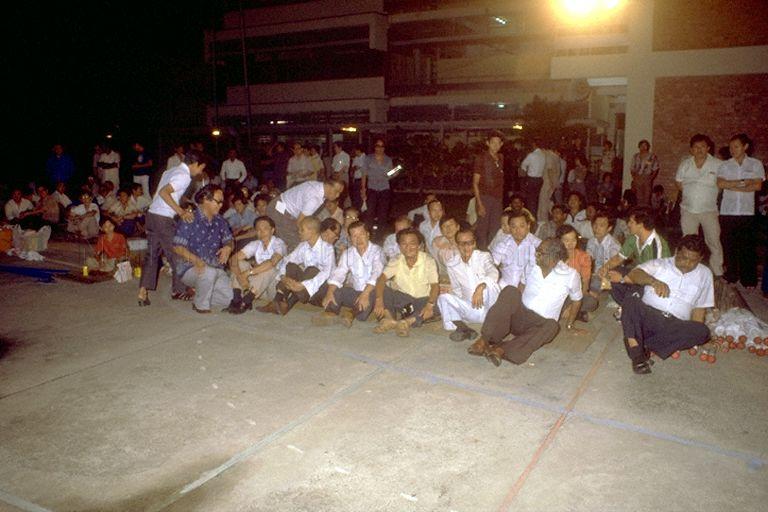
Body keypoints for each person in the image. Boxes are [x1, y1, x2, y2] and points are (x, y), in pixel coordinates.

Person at [468, 238, 583, 366]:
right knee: (510, 291)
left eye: (541, 253)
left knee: (553, 326)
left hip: (540, 325)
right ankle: (485, 340)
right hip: (520, 317)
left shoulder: (571, 275)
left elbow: (577, 300)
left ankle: (502, 350)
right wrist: (512, 308)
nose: (536, 255)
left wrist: (570, 324)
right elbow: (521, 286)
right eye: (537, 251)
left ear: (554, 257)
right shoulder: (531, 266)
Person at [614, 235, 714, 374]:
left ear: (701, 259)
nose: (687, 264)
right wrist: (653, 282)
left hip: (674, 324)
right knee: (632, 298)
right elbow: (634, 274)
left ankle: (645, 344)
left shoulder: (705, 274)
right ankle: (637, 354)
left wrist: (692, 338)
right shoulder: (661, 264)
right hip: (648, 317)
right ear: (676, 252)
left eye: (693, 261)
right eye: (683, 258)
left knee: (702, 331)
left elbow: (700, 308)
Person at [137, 149, 206, 306]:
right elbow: (164, 192)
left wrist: (184, 203)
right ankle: (178, 290)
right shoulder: (184, 176)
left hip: (152, 216)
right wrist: (181, 211)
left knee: (152, 255)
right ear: (195, 164)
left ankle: (142, 292)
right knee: (177, 253)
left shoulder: (170, 171)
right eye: (201, 167)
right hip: (163, 219)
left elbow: (166, 193)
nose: (201, 171)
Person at [172, 185, 234, 314]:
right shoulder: (189, 219)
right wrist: (197, 261)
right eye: (218, 201)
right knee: (208, 273)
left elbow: (229, 240)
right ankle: (200, 305)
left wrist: (228, 247)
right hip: (190, 268)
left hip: (215, 267)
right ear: (206, 199)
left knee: (230, 299)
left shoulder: (221, 221)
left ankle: (198, 292)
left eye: (222, 202)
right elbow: (177, 247)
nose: (221, 205)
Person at [313, 221, 384, 327]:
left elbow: (376, 274)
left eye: (361, 234)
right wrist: (330, 292)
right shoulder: (348, 253)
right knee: (337, 291)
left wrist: (365, 294)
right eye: (354, 236)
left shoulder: (377, 251)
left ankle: (351, 313)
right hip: (356, 292)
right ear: (350, 239)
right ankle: (331, 312)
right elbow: (339, 274)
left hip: (372, 291)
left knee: (364, 312)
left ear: (368, 234)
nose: (358, 239)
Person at [260, 216, 335, 316]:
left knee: (312, 269)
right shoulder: (303, 245)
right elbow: (288, 260)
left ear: (312, 231)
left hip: (320, 289)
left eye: (302, 230)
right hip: (302, 286)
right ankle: (277, 301)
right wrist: (283, 277)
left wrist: (303, 285)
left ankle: (288, 304)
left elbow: (326, 274)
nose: (299, 232)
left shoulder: (328, 249)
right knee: (291, 266)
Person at [717, 133, 765, 288]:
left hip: (746, 212)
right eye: (730, 147)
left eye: (736, 146)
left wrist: (733, 185)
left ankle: (748, 280)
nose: (732, 150)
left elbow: (758, 186)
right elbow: (721, 184)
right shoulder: (725, 165)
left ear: (745, 147)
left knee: (747, 248)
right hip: (728, 211)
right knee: (729, 246)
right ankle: (731, 276)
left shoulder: (756, 164)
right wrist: (745, 182)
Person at [373, 227, 439, 337]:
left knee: (438, 304)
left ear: (419, 245)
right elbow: (381, 279)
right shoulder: (397, 260)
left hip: (422, 302)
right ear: (399, 247)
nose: (408, 247)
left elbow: (435, 286)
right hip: (404, 303)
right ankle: (389, 319)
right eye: (404, 244)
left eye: (412, 243)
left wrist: (429, 304)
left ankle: (406, 322)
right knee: (384, 288)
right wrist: (378, 300)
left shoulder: (428, 261)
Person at [437, 227, 500, 342]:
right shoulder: (452, 263)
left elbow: (493, 272)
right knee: (443, 298)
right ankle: (463, 328)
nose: (466, 247)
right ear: (456, 245)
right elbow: (456, 289)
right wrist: (459, 307)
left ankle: (494, 325)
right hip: (471, 308)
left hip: (489, 308)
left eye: (469, 243)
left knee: (491, 285)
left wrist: (480, 287)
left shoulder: (483, 256)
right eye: (462, 244)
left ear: (475, 243)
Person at [674, 133, 724, 277]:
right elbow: (678, 182)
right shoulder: (685, 164)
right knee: (688, 242)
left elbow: (722, 184)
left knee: (713, 241)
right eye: (696, 147)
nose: (699, 150)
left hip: (709, 211)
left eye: (703, 147)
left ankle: (717, 271)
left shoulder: (718, 164)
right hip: (688, 210)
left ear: (708, 148)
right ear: (691, 150)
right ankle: (688, 270)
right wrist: (692, 193)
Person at [226, 215, 287, 314]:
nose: (261, 232)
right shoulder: (255, 244)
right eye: (258, 229)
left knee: (270, 268)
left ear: (272, 230)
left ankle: (246, 301)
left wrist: (247, 273)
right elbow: (233, 259)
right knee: (240, 263)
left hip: (273, 289)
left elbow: (272, 262)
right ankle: (236, 299)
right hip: (256, 287)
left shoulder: (279, 244)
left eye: (265, 229)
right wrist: (240, 276)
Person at [265, 179, 345, 251]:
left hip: (279, 205)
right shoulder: (315, 199)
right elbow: (300, 222)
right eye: (337, 191)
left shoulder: (316, 185)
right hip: (279, 212)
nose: (338, 195)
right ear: (328, 186)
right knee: (298, 245)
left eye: (340, 193)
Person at [599, 206, 671, 285]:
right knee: (611, 272)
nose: (628, 224)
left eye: (631, 222)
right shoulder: (634, 237)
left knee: (619, 280)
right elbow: (619, 258)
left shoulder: (657, 247)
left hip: (656, 283)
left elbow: (654, 278)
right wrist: (604, 268)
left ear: (640, 225)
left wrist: (623, 279)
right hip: (640, 274)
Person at [490, 211, 541, 289]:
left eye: (521, 226)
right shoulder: (503, 244)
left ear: (528, 226)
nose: (517, 230)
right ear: (510, 228)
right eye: (513, 227)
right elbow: (491, 264)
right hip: (505, 287)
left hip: (529, 288)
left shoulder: (538, 245)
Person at [558, 224, 598, 320]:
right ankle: (577, 314)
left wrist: (572, 306)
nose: (571, 243)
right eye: (566, 240)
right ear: (559, 241)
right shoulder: (554, 256)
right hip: (558, 293)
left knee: (592, 302)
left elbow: (585, 284)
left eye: (573, 240)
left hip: (575, 293)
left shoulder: (584, 257)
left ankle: (569, 312)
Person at [472, 130, 505, 249]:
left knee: (496, 229)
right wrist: (479, 204)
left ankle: (492, 255)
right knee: (482, 229)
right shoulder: (481, 158)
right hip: (484, 197)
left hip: (497, 198)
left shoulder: (501, 158)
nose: (495, 145)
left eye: (498, 143)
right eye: (493, 143)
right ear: (487, 143)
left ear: (501, 144)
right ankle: (481, 254)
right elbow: (475, 183)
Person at [361, 138, 393, 232]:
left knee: (383, 214)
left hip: (384, 189)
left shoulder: (388, 159)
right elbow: (364, 174)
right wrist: (363, 189)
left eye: (382, 146)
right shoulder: (368, 158)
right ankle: (368, 233)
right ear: (374, 147)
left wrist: (394, 173)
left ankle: (381, 234)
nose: (380, 148)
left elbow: (389, 175)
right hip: (372, 189)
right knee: (370, 212)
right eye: (377, 146)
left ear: (384, 148)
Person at [586, 210, 621, 293]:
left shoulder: (614, 245)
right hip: (595, 274)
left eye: (601, 225)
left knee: (592, 285)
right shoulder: (591, 241)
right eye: (595, 225)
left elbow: (615, 267)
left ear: (609, 228)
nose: (596, 228)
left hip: (609, 277)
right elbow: (588, 259)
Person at [520, 139, 546, 220]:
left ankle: (531, 218)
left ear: (534, 144)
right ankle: (534, 216)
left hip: (531, 179)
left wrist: (526, 172)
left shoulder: (531, 155)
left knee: (530, 200)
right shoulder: (543, 155)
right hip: (539, 180)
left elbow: (523, 165)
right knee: (535, 200)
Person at [630, 139, 660, 205]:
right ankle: (640, 213)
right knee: (639, 197)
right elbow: (632, 168)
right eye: (641, 145)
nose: (643, 147)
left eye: (645, 145)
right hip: (638, 178)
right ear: (639, 146)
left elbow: (656, 168)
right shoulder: (635, 156)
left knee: (647, 197)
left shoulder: (652, 156)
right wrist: (634, 178)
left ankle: (646, 213)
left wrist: (651, 178)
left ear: (648, 147)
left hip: (647, 178)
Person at [349, 145, 366, 210]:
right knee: (355, 196)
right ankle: (356, 209)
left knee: (361, 196)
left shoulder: (364, 158)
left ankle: (361, 210)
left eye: (355, 150)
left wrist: (355, 167)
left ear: (359, 150)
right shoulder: (356, 158)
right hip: (355, 179)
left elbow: (358, 167)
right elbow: (353, 168)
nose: (354, 152)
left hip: (362, 179)